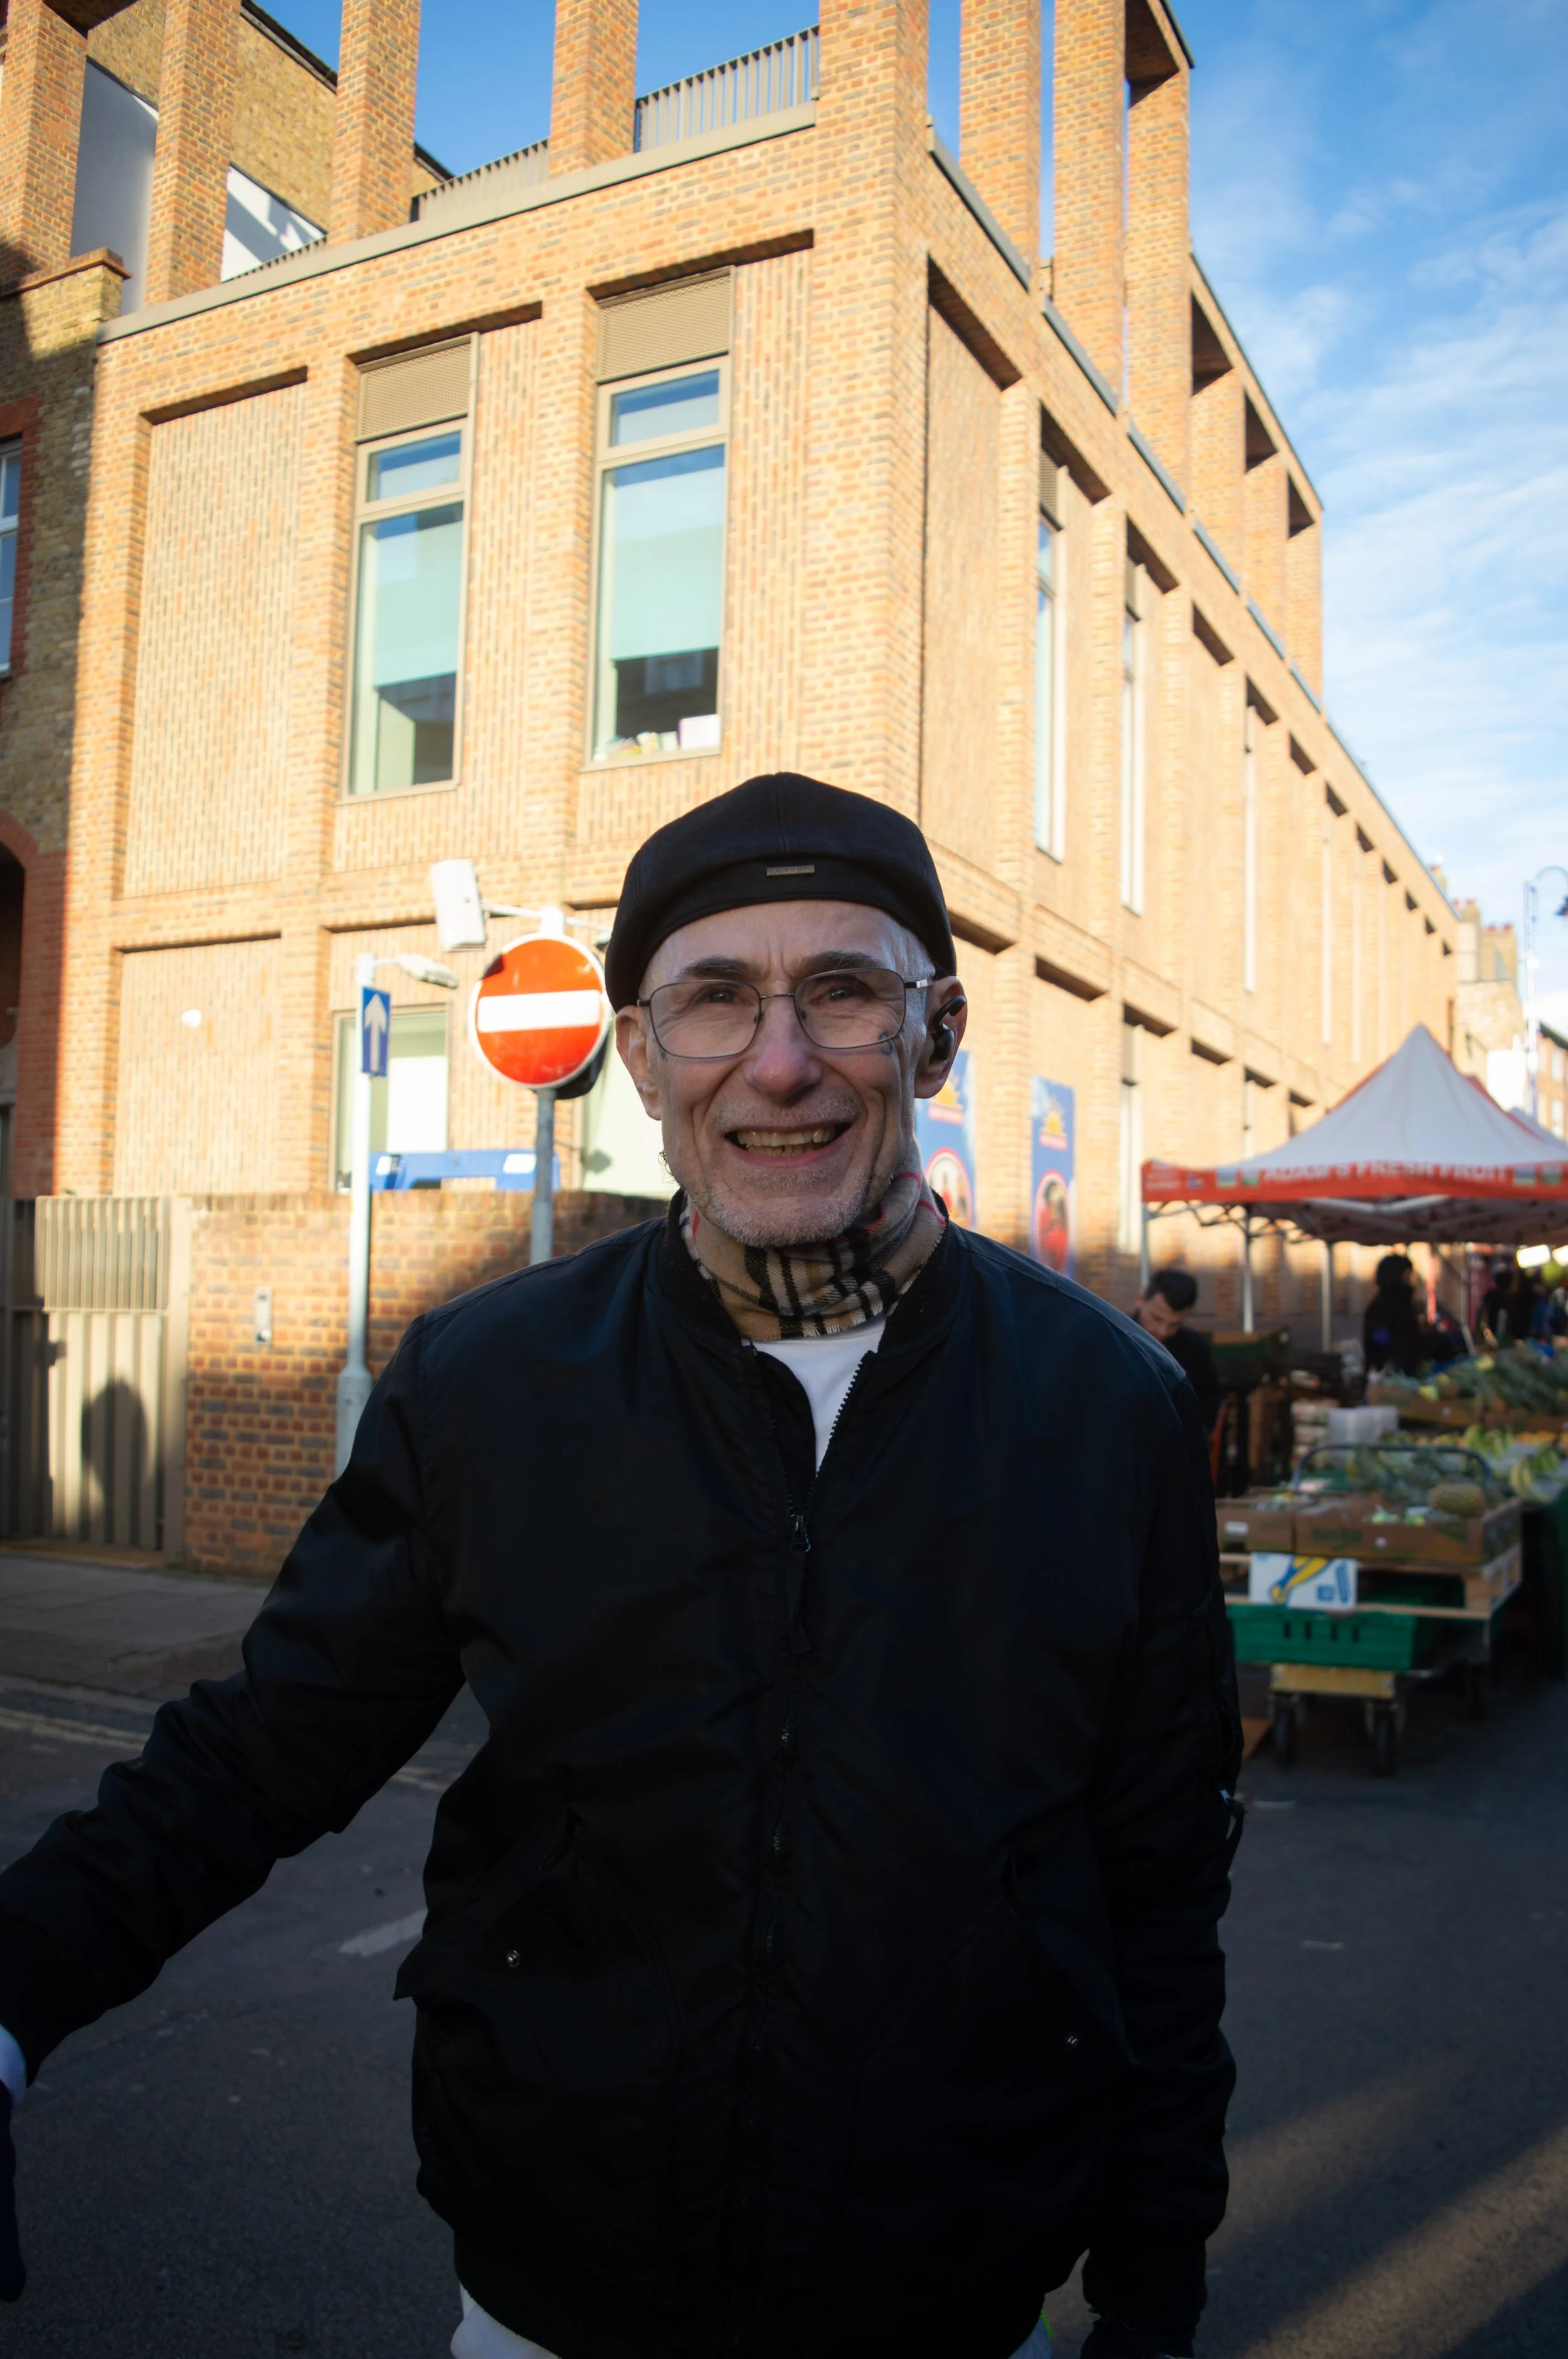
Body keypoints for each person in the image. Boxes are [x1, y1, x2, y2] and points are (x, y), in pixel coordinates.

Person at [0, 774, 1242, 2359]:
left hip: (953, 2292)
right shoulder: (487, 1386)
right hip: (554, 2293)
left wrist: (1154, 2285)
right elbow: (254, 1757)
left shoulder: (1106, 1406)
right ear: (644, 1060)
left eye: (844, 995)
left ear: (935, 1035)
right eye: (714, 1001)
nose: (778, 1063)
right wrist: (12, 2003)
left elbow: (1159, 1885)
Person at [1133, 1269, 1222, 1434]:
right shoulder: (1114, 1338)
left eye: (1175, 1324)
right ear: (1141, 1300)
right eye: (1157, 1318)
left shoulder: (1195, 1349)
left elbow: (1208, 1400)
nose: (1163, 1331)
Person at [1363, 1253, 1425, 1375]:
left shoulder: (1403, 1304)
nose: (1411, 1282)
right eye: (1407, 1278)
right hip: (1390, 1376)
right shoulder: (1382, 1307)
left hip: (1406, 1373)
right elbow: (1380, 1344)